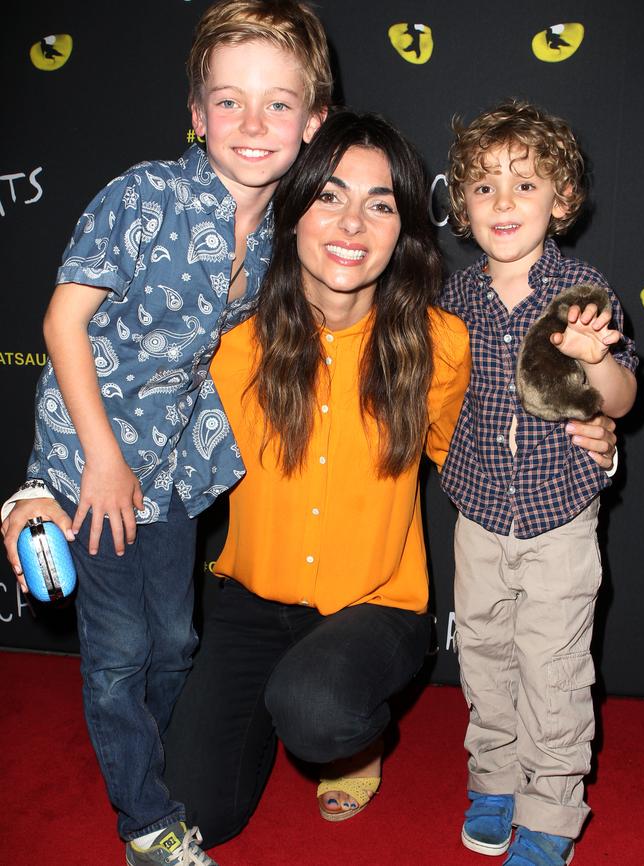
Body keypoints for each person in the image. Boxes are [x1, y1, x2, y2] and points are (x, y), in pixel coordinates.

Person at [0, 2, 331, 864]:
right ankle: (146, 824)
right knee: (118, 654)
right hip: (92, 457)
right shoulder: (143, 196)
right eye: (229, 101)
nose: (253, 124)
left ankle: (159, 769)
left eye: (278, 104)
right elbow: (61, 325)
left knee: (176, 642)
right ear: (196, 115)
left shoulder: (276, 237)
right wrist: (83, 468)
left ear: (313, 121)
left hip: (176, 464)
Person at [162, 108, 472, 848]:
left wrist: (586, 438)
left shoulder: (438, 346)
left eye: (381, 203)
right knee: (195, 815)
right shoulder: (232, 345)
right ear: (293, 209)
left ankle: (348, 737)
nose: (352, 224)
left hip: (376, 607)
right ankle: (279, 705)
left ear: (404, 230)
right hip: (249, 605)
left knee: (318, 708)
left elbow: (477, 458)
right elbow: (131, 427)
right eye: (329, 196)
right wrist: (44, 482)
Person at [441, 99, 638, 865]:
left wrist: (594, 359)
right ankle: (492, 778)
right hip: (479, 516)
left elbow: (621, 400)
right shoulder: (453, 301)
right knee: (485, 656)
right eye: (484, 186)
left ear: (562, 202)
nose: (503, 202)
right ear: (461, 205)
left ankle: (553, 807)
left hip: (561, 521)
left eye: (525, 185)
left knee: (554, 668)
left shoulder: (582, 291)